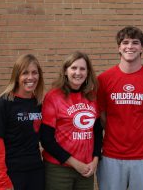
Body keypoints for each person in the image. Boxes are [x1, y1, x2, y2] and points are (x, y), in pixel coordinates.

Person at [97, 26, 143, 190]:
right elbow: (101, 116)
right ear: (119, 47)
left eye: (135, 43)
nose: (130, 46)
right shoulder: (103, 80)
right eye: (125, 42)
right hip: (111, 155)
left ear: (142, 47)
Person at [40, 51, 102, 190]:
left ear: (88, 73)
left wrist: (95, 160)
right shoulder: (53, 97)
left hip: (86, 169)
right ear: (65, 71)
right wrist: (75, 164)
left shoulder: (92, 97)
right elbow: (46, 139)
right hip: (59, 169)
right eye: (73, 68)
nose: (78, 72)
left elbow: (97, 132)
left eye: (82, 69)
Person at [0, 54, 45, 190]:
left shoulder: (38, 103)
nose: (30, 77)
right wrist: (2, 181)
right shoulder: (4, 103)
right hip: (10, 175)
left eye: (34, 73)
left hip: (35, 173)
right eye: (25, 73)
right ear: (17, 76)